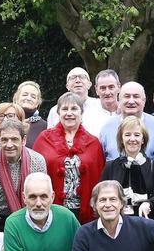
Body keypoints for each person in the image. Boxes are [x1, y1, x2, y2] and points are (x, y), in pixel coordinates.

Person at [33, 92, 106, 224]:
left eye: (74, 109)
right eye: (65, 109)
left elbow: (99, 177)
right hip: (52, 207)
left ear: (81, 113)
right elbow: (34, 173)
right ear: (58, 113)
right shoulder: (44, 138)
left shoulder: (93, 142)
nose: (69, 113)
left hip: (85, 209)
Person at [0, 119, 47, 228]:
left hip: (29, 219)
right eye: (4, 140)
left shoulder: (37, 161)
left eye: (14, 139)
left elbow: (41, 196)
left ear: (24, 140)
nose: (9, 144)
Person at [99, 116, 154, 219]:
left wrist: (148, 203)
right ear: (121, 139)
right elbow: (101, 193)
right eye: (127, 135)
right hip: (117, 222)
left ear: (143, 140)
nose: (132, 139)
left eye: (137, 135)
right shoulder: (110, 166)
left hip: (145, 221)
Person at [98, 81, 154, 161]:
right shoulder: (107, 127)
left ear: (144, 101)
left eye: (136, 96)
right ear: (119, 100)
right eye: (127, 96)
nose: (131, 101)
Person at [46, 67, 111, 136]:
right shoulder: (55, 111)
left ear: (89, 85)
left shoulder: (101, 106)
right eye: (73, 77)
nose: (77, 80)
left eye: (82, 77)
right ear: (67, 86)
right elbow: (50, 137)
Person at [12, 80, 47, 147]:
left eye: (33, 97)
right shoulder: (2, 119)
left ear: (37, 103)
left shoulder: (45, 127)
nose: (28, 98)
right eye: (25, 95)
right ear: (16, 98)